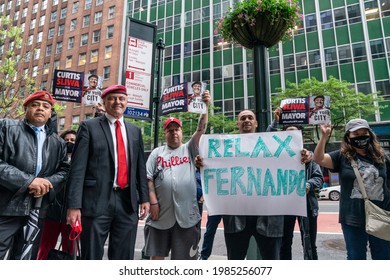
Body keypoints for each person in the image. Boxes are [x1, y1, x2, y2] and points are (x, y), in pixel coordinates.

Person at [66, 84, 150, 260]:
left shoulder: (134, 131)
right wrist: (74, 206)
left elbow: (140, 168)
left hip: (127, 203)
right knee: (91, 256)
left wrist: (144, 198)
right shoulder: (89, 127)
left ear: (127, 102)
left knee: (123, 256)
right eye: (112, 98)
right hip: (96, 202)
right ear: (104, 102)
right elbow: (77, 169)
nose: (117, 102)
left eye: (121, 98)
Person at [0, 90, 69, 259]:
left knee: (25, 257)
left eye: (46, 106)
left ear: (50, 113)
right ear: (26, 109)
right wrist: (29, 181)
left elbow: (65, 170)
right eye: (35, 105)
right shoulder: (7, 127)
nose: (40, 109)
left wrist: (47, 183)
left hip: (37, 208)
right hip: (6, 205)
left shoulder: (58, 142)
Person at [144, 91, 211, 260]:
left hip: (187, 216)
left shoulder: (189, 149)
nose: (174, 133)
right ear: (165, 133)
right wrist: (153, 202)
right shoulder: (157, 153)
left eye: (177, 130)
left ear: (181, 132)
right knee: (156, 258)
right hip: (161, 215)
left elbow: (201, 128)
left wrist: (205, 107)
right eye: (170, 130)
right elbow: (148, 178)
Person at [313, 118, 390, 260]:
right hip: (353, 219)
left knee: (384, 257)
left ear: (370, 134)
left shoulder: (382, 157)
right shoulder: (341, 157)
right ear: (348, 137)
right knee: (356, 258)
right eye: (356, 134)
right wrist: (324, 136)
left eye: (364, 132)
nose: (360, 136)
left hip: (381, 216)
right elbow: (319, 159)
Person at [268, 108, 323, 260]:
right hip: (285, 206)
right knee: (284, 243)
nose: (290, 135)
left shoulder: (308, 157)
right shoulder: (277, 155)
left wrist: (308, 185)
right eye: (287, 132)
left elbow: (318, 179)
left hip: (307, 205)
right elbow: (266, 139)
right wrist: (275, 121)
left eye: (294, 132)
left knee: (309, 243)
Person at [36, 129, 77, 260]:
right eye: (67, 140)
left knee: (70, 249)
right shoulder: (54, 159)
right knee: (44, 248)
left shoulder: (81, 162)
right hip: (51, 212)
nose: (69, 142)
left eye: (73, 140)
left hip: (72, 213)